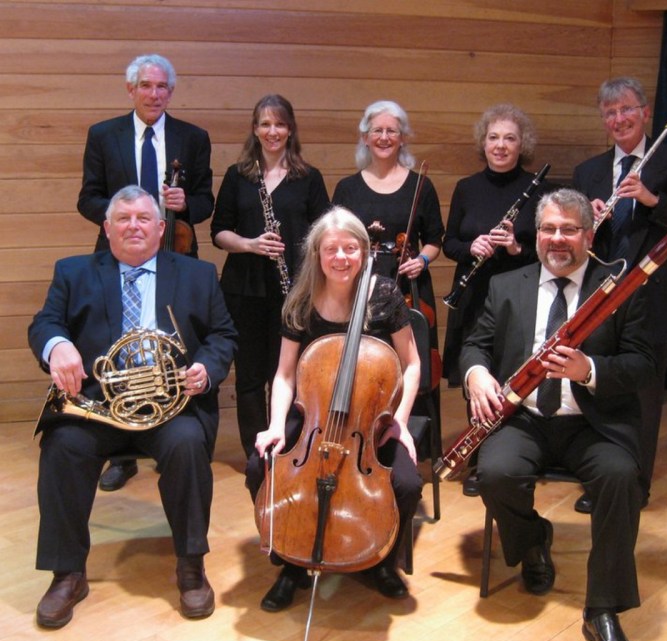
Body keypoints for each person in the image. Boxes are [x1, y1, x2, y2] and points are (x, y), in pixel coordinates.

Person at [461, 189, 655, 641]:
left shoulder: (619, 286)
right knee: (496, 474)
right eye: (549, 228)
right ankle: (533, 540)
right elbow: (475, 345)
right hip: (523, 418)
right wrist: (476, 375)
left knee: (618, 479)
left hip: (594, 423)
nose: (558, 239)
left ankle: (604, 608)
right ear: (537, 234)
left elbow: (643, 365)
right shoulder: (507, 284)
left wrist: (588, 368)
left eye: (570, 229)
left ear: (589, 236)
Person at [28, 185, 237, 628]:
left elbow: (223, 336)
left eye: (144, 218)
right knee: (63, 447)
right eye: (123, 219)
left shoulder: (198, 275)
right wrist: (57, 345)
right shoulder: (73, 271)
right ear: (106, 229)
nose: (133, 226)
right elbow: (44, 323)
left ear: (162, 228)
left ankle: (191, 564)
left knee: (186, 446)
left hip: (171, 405)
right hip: (97, 404)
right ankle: (67, 573)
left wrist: (204, 367)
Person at [245, 206, 423, 612]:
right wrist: (275, 424)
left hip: (370, 419)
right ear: (317, 254)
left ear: (363, 251)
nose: (341, 258)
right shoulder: (302, 299)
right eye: (331, 250)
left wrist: (400, 421)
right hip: (314, 415)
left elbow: (411, 364)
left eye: (350, 249)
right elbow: (286, 375)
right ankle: (290, 559)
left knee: (408, 483)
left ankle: (379, 559)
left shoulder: (384, 295)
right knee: (261, 467)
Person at [77, 54, 215, 492]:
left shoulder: (193, 138)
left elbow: (206, 203)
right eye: (146, 86)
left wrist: (184, 206)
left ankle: (172, 437)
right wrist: (128, 219)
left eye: (162, 87)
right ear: (130, 89)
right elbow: (88, 198)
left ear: (170, 92)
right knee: (123, 347)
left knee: (169, 345)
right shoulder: (103, 135)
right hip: (118, 257)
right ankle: (121, 454)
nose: (154, 94)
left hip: (174, 258)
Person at [573, 76, 667, 513]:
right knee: (598, 390)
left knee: (646, 398)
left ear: (646, 112)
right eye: (609, 113)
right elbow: (578, 242)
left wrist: (649, 198)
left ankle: (635, 485)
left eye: (626, 109)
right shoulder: (588, 172)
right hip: (601, 298)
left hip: (653, 297)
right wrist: (588, 222)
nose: (618, 119)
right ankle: (602, 480)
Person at [442, 104, 554, 495]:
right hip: (473, 293)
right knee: (476, 372)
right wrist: (471, 246)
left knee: (509, 369)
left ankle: (506, 453)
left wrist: (514, 247)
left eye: (509, 138)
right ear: (483, 143)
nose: (501, 145)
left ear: (522, 144)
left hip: (517, 295)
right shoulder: (466, 187)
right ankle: (477, 448)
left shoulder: (541, 190)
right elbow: (449, 243)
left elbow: (550, 252)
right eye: (494, 137)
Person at [211, 94, 329, 461]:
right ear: (254, 129)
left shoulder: (308, 178)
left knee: (289, 372)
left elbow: (324, 233)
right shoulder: (238, 176)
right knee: (248, 376)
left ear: (290, 129)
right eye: (265, 124)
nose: (272, 131)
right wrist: (250, 244)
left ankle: (288, 444)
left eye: (279, 124)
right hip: (244, 289)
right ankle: (255, 451)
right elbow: (219, 232)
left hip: (293, 290)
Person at [331, 100, 444, 366]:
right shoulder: (346, 188)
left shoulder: (421, 186)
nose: (384, 137)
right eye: (377, 131)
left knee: (414, 367)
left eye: (392, 131)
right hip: (359, 288)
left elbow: (434, 240)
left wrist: (422, 260)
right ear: (365, 138)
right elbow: (335, 238)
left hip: (409, 288)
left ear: (402, 138)